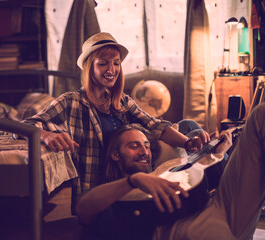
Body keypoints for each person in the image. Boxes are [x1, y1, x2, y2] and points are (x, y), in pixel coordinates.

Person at [24, 32, 210, 211]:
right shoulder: (70, 102)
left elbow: (154, 125)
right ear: (90, 67)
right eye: (103, 63)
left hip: (134, 172)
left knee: (191, 129)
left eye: (116, 63)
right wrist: (47, 136)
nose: (111, 70)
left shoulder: (122, 101)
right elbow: (26, 126)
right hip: (100, 191)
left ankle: (211, 192)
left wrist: (188, 143)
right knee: (191, 130)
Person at [76, 103, 265, 240]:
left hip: (221, 210)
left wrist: (218, 155)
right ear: (116, 155)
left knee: (260, 115)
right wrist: (133, 181)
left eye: (147, 146)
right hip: (187, 230)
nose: (144, 152)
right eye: (134, 146)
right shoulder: (113, 198)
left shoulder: (163, 170)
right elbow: (83, 208)